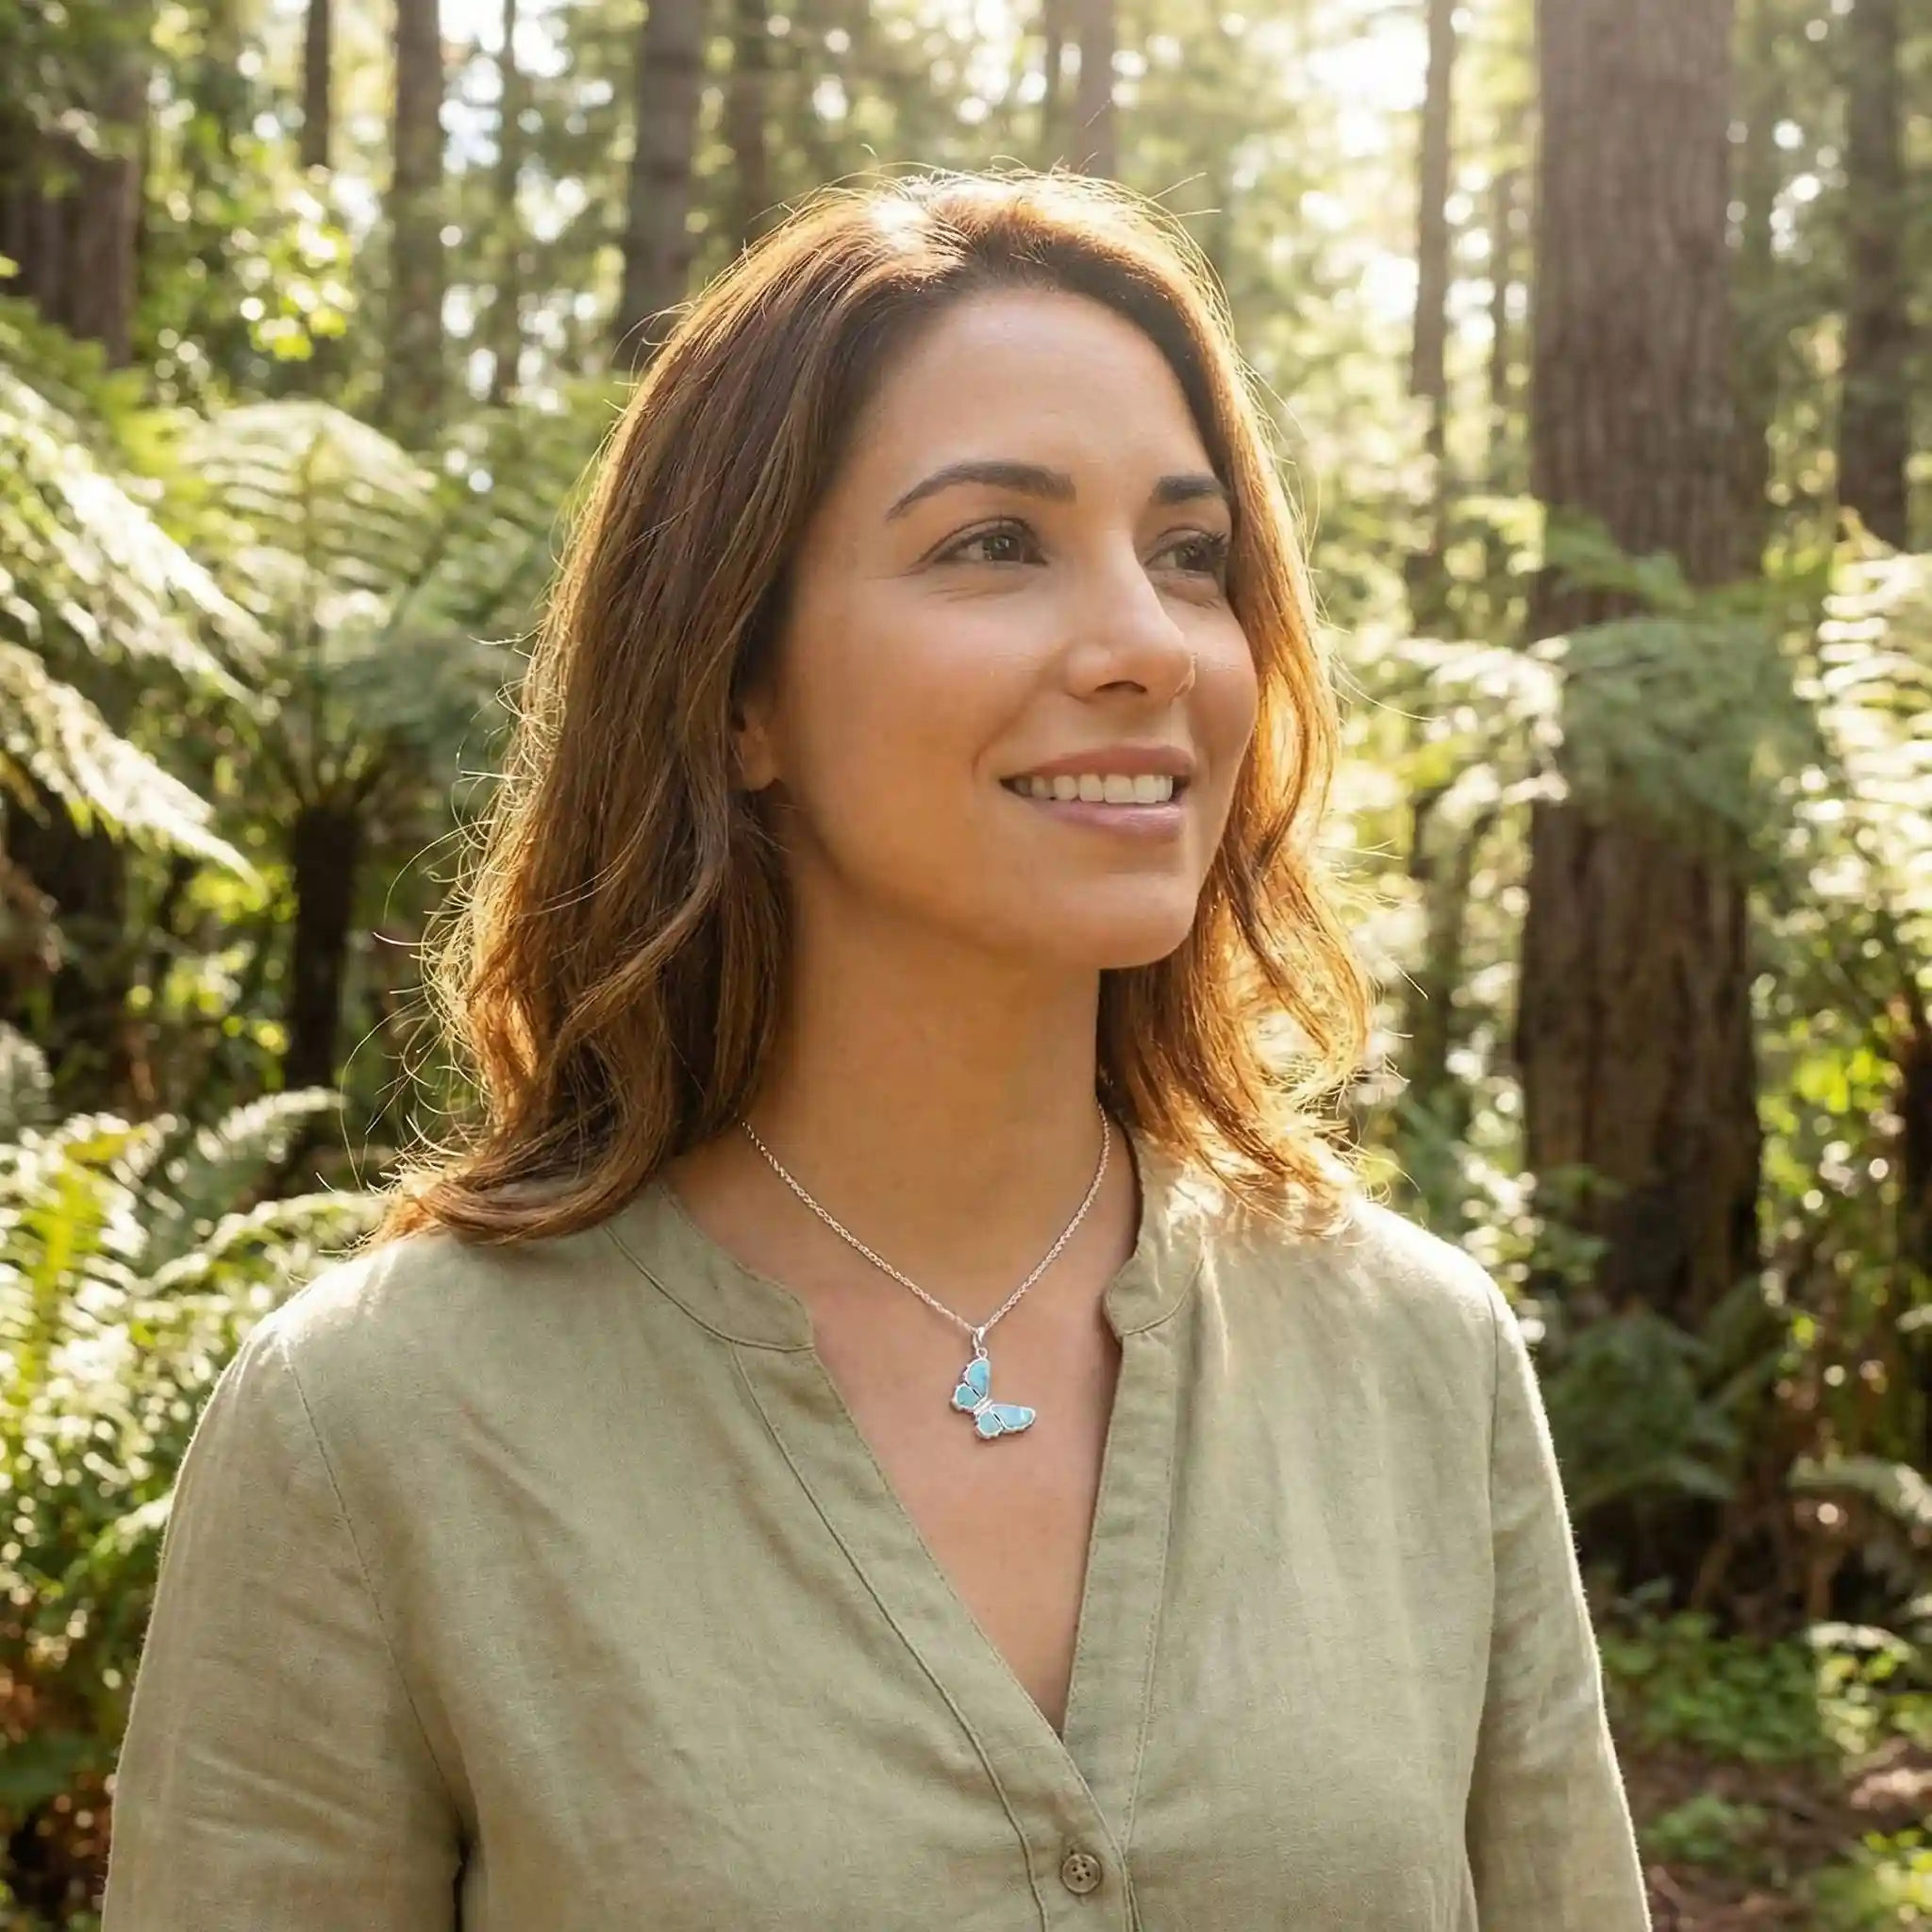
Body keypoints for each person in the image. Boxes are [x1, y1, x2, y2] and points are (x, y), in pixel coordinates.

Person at [101, 169, 1651, 1930]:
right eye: (994, 542)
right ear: (737, 690)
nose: (1147, 643)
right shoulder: (379, 1427)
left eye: (1190, 552)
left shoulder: (1417, 1364)